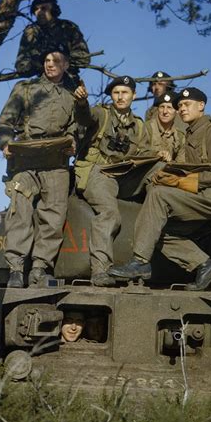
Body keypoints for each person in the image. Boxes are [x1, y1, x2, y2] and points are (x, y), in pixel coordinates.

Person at [109, 88, 211, 291]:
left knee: (158, 195)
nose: (182, 109)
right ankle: (205, 266)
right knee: (158, 229)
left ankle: (140, 261)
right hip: (202, 195)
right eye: (179, 106)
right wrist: (165, 176)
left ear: (201, 106)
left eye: (186, 105)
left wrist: (180, 182)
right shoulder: (190, 135)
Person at [0, 46, 78, 288]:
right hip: (26, 158)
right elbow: (4, 121)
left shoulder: (72, 95)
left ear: (66, 65)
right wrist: (5, 143)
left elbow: (75, 127)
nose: (50, 63)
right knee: (20, 211)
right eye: (46, 59)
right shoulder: (26, 88)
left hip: (55, 161)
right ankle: (16, 268)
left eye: (56, 60)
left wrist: (73, 142)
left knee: (53, 214)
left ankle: (40, 267)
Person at [73, 76, 153, 287]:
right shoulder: (102, 113)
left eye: (125, 92)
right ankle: (101, 269)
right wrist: (81, 102)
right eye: (116, 92)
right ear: (111, 95)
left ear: (133, 96)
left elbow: (144, 153)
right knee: (109, 213)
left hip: (123, 174)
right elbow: (84, 117)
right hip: (98, 171)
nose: (120, 96)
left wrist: (160, 154)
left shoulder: (139, 126)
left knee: (158, 168)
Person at [15, 0, 90, 82]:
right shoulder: (31, 32)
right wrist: (41, 63)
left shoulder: (68, 28)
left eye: (44, 8)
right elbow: (21, 65)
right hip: (42, 83)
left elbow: (84, 58)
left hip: (69, 81)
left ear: (54, 10)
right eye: (36, 9)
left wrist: (60, 61)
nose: (39, 12)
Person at [145, 91, 185, 162]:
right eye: (162, 107)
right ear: (158, 109)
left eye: (169, 107)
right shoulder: (146, 128)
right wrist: (156, 154)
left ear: (177, 111)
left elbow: (181, 163)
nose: (165, 111)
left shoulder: (180, 136)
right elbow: (138, 152)